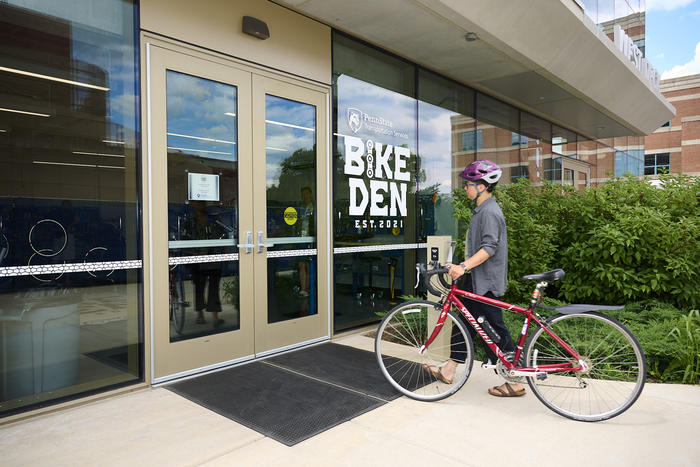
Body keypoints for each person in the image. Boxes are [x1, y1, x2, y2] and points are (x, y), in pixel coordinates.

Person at [424, 160, 525, 397]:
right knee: (463, 323)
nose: (465, 188)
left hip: (486, 283)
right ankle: (449, 370)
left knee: (494, 330)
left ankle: (516, 380)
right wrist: (458, 266)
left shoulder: (490, 212)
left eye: (468, 184)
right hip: (476, 280)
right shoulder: (482, 210)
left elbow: (489, 248)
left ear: (482, 186)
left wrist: (464, 266)